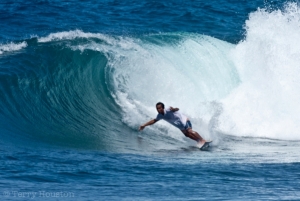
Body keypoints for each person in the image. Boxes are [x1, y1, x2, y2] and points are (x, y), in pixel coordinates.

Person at [139, 102, 206, 146]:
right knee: (187, 135)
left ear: (163, 108)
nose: (158, 109)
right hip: (181, 127)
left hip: (184, 121)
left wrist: (173, 109)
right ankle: (198, 141)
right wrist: (144, 125)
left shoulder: (168, 109)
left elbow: (177, 109)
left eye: (159, 108)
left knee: (189, 131)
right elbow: (154, 121)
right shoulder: (160, 115)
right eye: (157, 108)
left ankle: (202, 140)